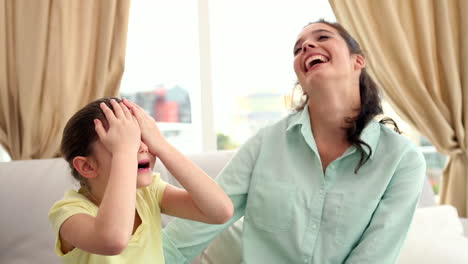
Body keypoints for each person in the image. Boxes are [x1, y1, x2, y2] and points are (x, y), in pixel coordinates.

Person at [163, 20, 426, 264]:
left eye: (322, 36)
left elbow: (373, 257)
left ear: (358, 61)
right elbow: (190, 231)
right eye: (298, 48)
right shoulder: (265, 144)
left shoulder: (403, 159)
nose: (307, 46)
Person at [48, 97, 233, 264]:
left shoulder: (149, 192)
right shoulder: (69, 212)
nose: (143, 147)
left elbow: (220, 211)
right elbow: (113, 240)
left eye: (143, 137)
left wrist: (161, 144)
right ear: (87, 167)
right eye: (127, 141)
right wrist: (125, 152)